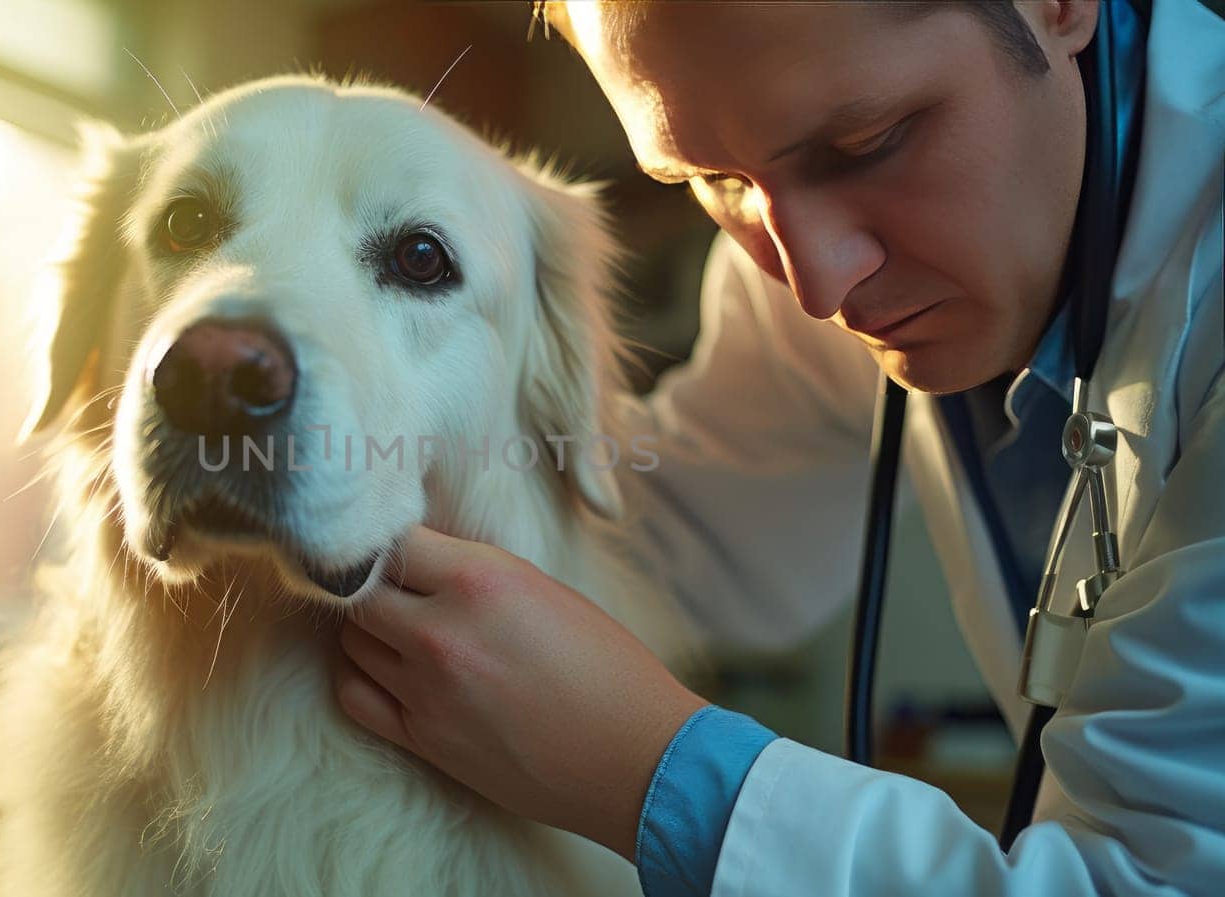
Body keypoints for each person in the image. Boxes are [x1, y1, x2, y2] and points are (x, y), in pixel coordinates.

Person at [332, 1, 1225, 894]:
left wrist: (653, 774)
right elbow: (653, 537)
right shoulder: (821, 254)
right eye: (713, 179)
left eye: (869, 140)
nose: (816, 286)